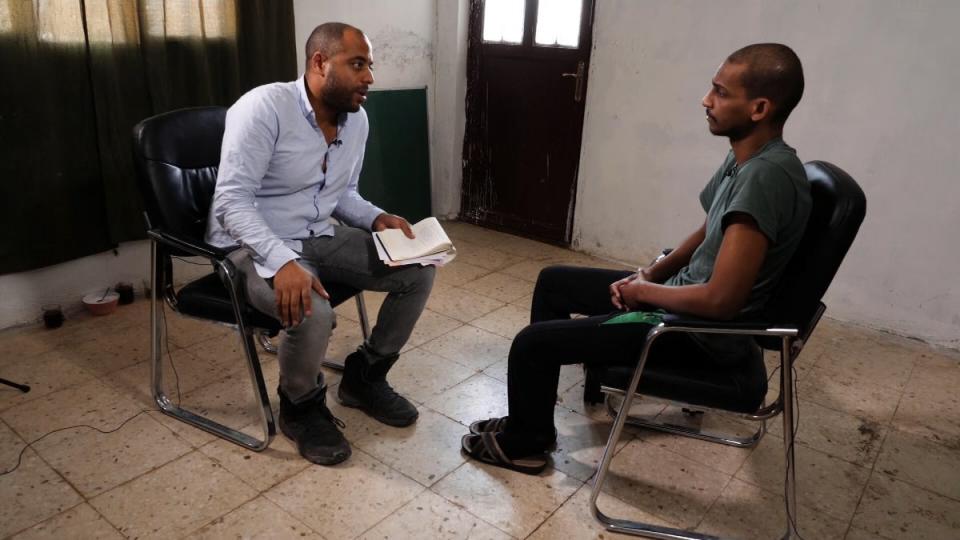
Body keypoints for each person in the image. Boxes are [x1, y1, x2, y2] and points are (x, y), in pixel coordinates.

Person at [462, 43, 811, 475]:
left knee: (530, 345)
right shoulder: (746, 159)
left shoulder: (766, 177)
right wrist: (647, 274)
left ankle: (527, 443)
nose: (706, 100)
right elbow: (707, 231)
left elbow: (722, 301)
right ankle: (530, 418)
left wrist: (646, 294)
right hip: (678, 301)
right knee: (554, 282)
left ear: (759, 108)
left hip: (693, 332)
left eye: (720, 92)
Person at [206, 23, 435, 466]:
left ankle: (364, 377)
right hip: (251, 246)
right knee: (312, 310)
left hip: (318, 235)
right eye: (358, 64)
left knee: (417, 269)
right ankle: (300, 406)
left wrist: (377, 218)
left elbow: (343, 193)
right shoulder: (264, 108)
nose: (369, 77)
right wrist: (281, 260)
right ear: (319, 63)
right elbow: (231, 202)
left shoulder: (357, 119)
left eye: (370, 65)